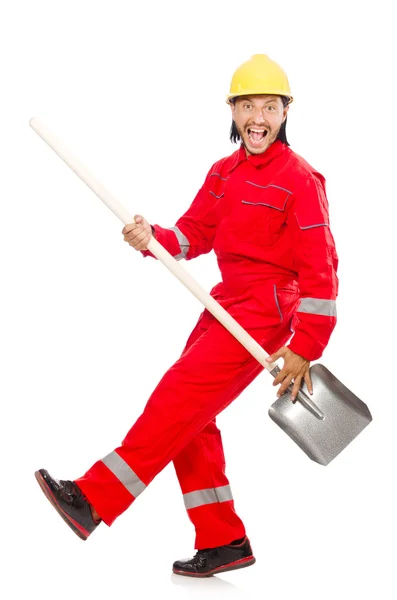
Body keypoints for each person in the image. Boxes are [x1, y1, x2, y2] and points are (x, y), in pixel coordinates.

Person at [35, 54, 339, 578]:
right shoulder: (224, 173)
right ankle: (223, 540)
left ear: (287, 112)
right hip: (224, 305)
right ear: (233, 111)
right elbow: (194, 232)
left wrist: (306, 345)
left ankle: (93, 499)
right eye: (248, 106)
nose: (258, 117)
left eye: (270, 106)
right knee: (193, 422)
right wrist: (152, 237)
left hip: (265, 315)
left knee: (175, 401)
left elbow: (322, 272)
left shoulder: (301, 179)